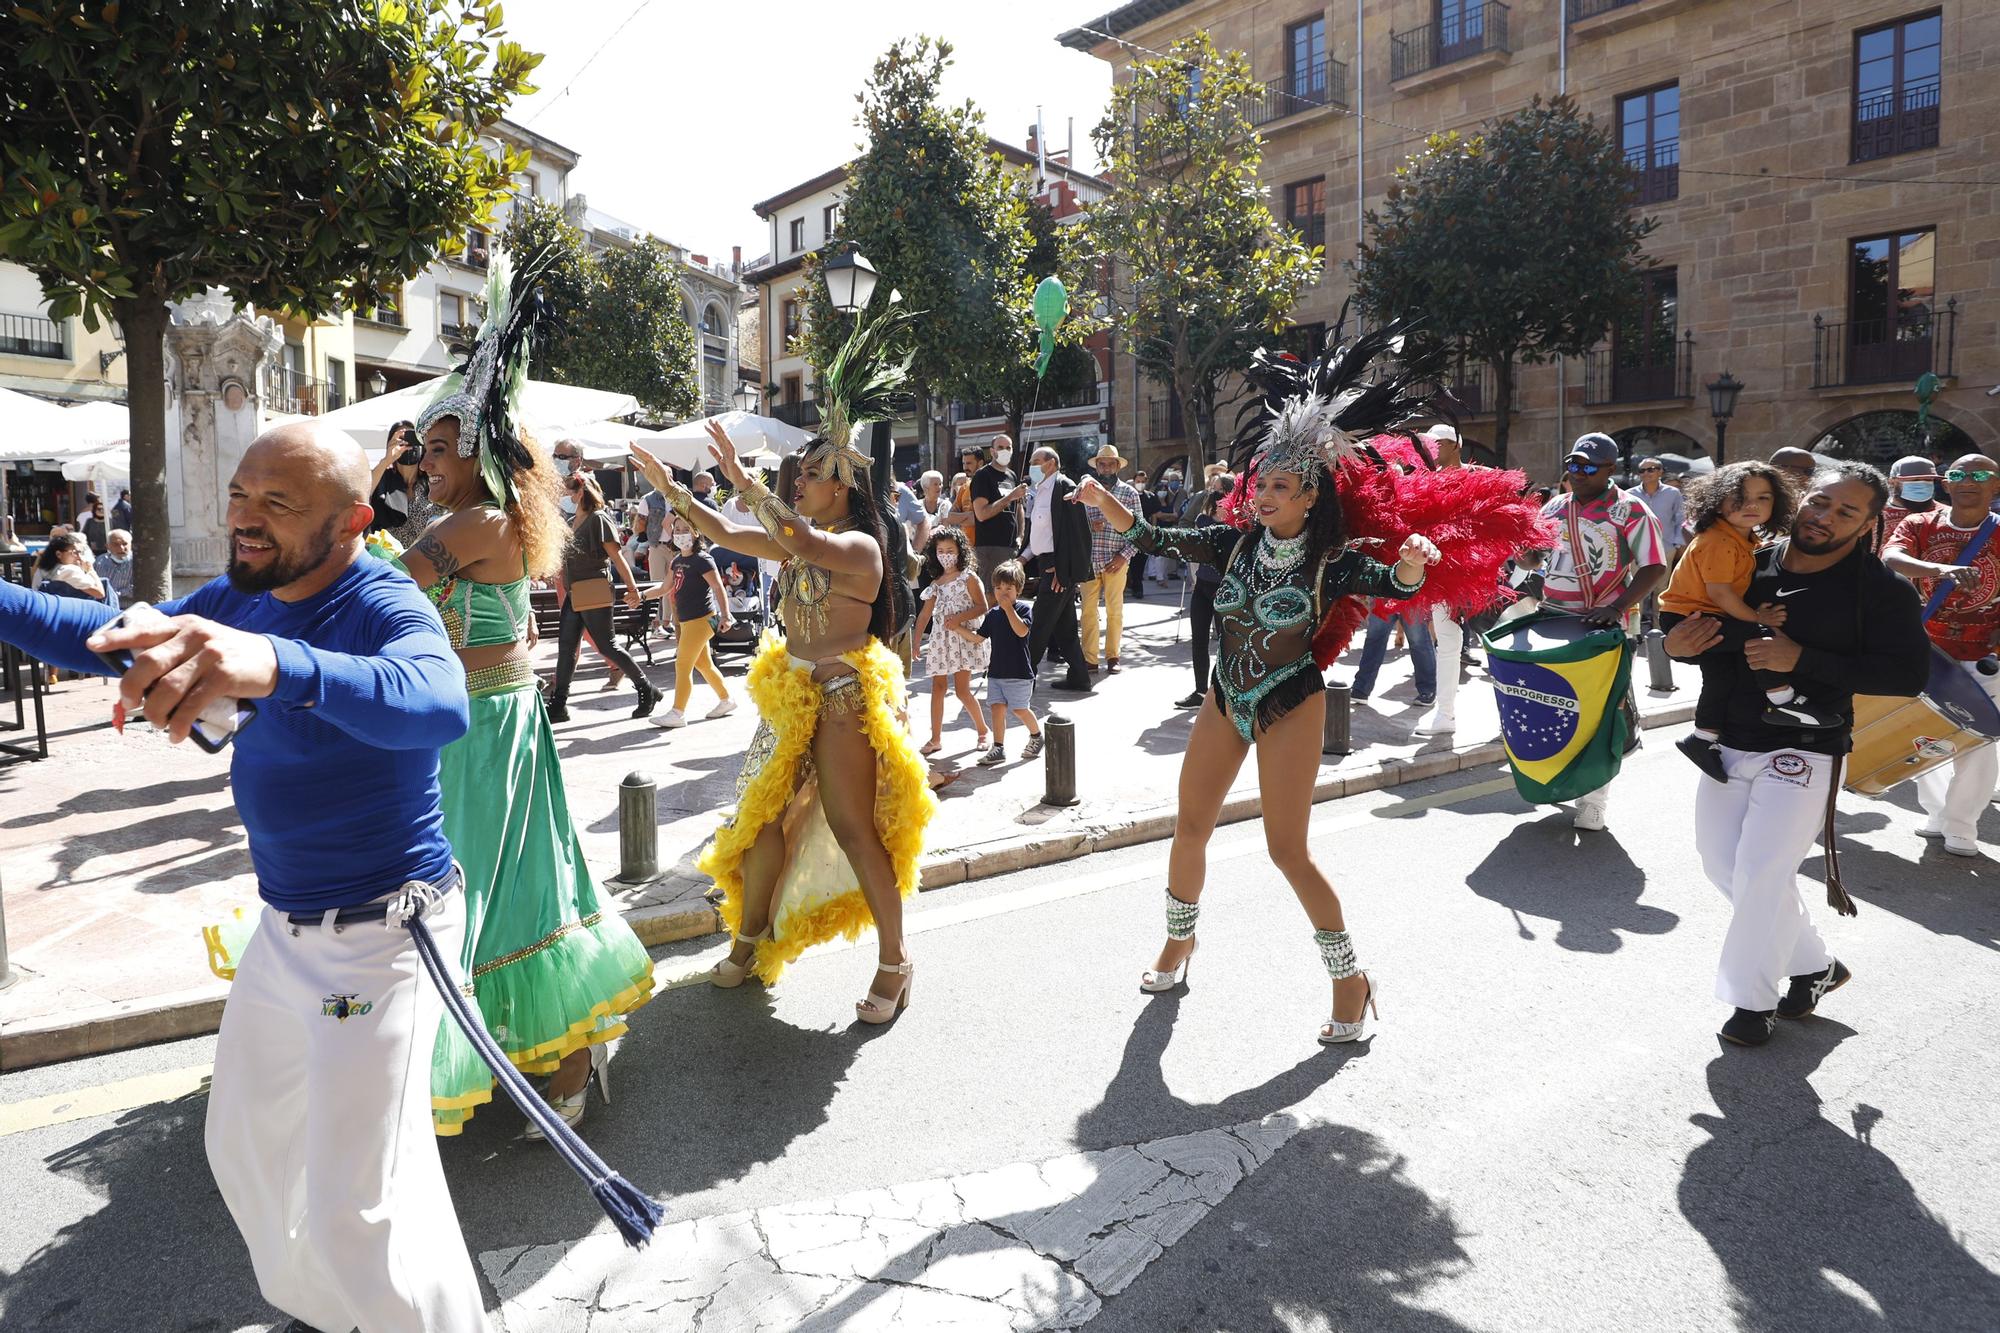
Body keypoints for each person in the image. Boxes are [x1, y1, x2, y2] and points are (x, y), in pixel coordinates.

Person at [0, 421, 488, 1330]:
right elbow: (107, 634)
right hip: (285, 933)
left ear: (349, 522)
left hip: (385, 942)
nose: (245, 518)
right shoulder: (241, 593)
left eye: (277, 502)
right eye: (238, 493)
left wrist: (273, 665)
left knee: (357, 1207)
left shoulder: (385, 600)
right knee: (245, 1152)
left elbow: (437, 702)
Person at [1070, 335, 1441, 1046]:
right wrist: (1100, 501)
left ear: (1310, 495)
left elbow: (1394, 583)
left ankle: (1350, 981)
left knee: (1287, 851)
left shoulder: (1333, 561)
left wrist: (1415, 565)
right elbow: (1152, 535)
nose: (1261, 494)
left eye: (1279, 487)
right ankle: (1179, 944)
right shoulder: (1232, 543)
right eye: (1259, 483)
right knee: (1190, 827)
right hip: (1225, 698)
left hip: (1290, 702)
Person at [394, 252, 657, 1136]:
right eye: (421, 450)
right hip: (484, 723)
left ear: (475, 450)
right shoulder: (487, 521)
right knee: (516, 889)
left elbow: (384, 591)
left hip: (480, 733)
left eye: (437, 449)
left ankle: (541, 1062)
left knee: (475, 892)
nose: (424, 464)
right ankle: (557, 1063)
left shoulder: (475, 523)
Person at [629, 305, 935, 1021]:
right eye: (796, 476)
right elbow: (730, 528)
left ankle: (895, 960)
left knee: (852, 826)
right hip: (789, 695)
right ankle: (749, 943)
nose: (799, 482)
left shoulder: (857, 546)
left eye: (810, 476)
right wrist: (670, 487)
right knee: (761, 823)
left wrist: (741, 473)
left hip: (841, 701)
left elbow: (790, 529)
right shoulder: (803, 537)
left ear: (842, 486)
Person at [1664, 461, 1928, 1046]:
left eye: (1846, 512)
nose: (1824, 517)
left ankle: (1750, 1004)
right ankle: (1814, 964)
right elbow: (1698, 627)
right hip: (1727, 743)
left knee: (1762, 872)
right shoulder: (1744, 557)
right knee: (1722, 867)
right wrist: (1675, 644)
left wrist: (1801, 659)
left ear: (1867, 524)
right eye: (1819, 502)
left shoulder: (1881, 590)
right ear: (1801, 498)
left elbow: (1908, 676)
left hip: (1807, 746)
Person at [1660, 461, 1836, 783]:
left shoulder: (1742, 539)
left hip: (1701, 614)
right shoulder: (1720, 541)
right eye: (1738, 497)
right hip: (1695, 615)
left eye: (1763, 498)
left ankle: (1702, 738)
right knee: (1762, 637)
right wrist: (1758, 617)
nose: (1751, 505)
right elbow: (1721, 594)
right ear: (1716, 501)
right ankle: (1782, 699)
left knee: (1720, 679)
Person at [1537, 432, 1669, 831]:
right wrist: (1519, 547)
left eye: (1588, 467)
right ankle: (1562, 778)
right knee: (1557, 706)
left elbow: (1653, 566)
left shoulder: (1630, 510)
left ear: (1611, 470)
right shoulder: (1555, 506)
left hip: (1602, 626)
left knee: (1600, 714)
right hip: (1551, 619)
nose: (1577, 473)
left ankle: (1594, 800)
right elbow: (1537, 558)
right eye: (1573, 464)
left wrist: (1615, 607)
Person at [1880, 452, 2000, 856]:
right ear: (1945, 484)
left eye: (1980, 474)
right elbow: (1891, 558)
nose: (1968, 480)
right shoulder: (1921, 524)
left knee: (1980, 743)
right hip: (1927, 649)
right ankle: (1935, 814)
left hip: (1988, 654)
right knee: (1922, 736)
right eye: (1957, 474)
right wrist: (1939, 572)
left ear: (1996, 486)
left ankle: (1962, 825)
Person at [546, 471, 660, 723]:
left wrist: (633, 590)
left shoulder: (598, 519)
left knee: (608, 645)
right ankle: (558, 704)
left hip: (593, 589)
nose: (568, 495)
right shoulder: (571, 521)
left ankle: (646, 689)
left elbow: (617, 557)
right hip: (575, 591)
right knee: (566, 648)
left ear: (582, 492)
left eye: (571, 490)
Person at [1019, 445, 1093, 691]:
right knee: (1065, 629)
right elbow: (1039, 534)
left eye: (1036, 461)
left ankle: (1023, 679)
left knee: (1039, 625)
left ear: (1050, 463)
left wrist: (1063, 571)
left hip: (1057, 569)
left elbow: (1077, 535)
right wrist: (1023, 558)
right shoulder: (1039, 490)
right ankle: (1080, 677)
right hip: (1045, 565)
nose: (1032, 466)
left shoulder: (1065, 488)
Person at [912, 526, 990, 755]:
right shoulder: (936, 583)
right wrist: (916, 640)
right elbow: (925, 614)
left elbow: (982, 606)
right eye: (940, 550)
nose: (945, 555)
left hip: (961, 640)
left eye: (950, 550)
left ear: (960, 551)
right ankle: (935, 738)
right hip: (940, 641)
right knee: (937, 687)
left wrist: (958, 619)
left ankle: (983, 730)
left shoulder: (969, 578)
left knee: (962, 691)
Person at [656, 514, 736, 729]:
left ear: (696, 533)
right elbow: (664, 588)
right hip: (687, 620)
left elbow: (718, 587)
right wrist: (640, 595)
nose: (680, 534)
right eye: (677, 530)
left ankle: (678, 712)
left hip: (701, 620)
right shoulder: (677, 561)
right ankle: (726, 700)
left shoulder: (703, 559)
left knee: (682, 664)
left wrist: (727, 616)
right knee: (703, 664)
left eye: (685, 530)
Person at [966, 559, 1043, 766]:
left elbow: (1021, 631)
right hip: (996, 673)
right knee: (997, 708)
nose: (1002, 593)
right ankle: (998, 747)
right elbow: (978, 638)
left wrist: (1009, 609)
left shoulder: (1025, 610)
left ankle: (1036, 735)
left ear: (1018, 590)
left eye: (1008, 588)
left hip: (1019, 673)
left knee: (1019, 709)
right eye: (998, 588)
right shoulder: (992, 615)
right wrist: (956, 628)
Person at [1079, 444, 1141, 673]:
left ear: (1117, 466)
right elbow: (1074, 526)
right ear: (1097, 466)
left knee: (1115, 610)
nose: (1105, 468)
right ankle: (1090, 659)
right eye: (1101, 464)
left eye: (1110, 464)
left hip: (1117, 560)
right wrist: (1088, 526)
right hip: (1089, 560)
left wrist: (1123, 557)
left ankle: (1113, 657)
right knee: (1087, 611)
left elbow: (1139, 531)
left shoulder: (1129, 493)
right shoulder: (1085, 491)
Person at [1177, 489, 1227, 708]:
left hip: (1224, 589)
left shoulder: (1240, 524)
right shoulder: (1203, 520)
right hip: (1203, 586)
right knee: (1199, 640)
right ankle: (1200, 690)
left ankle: (1222, 691)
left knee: (1226, 644)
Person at [1348, 596, 1436, 707]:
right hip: (1384, 592)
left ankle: (1428, 690)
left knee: (1418, 641)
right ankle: (1361, 688)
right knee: (1374, 637)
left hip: (1413, 591)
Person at [1632, 455, 1687, 628]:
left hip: (1664, 548)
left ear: (1660, 472)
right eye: (1642, 470)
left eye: (1651, 469)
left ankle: (1658, 631)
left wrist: (1677, 544)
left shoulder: (1673, 494)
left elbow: (1681, 519)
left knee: (1661, 592)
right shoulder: (1630, 495)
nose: (1646, 473)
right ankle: (1634, 631)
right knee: (1635, 592)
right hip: (1637, 550)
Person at [967, 437, 1027, 593]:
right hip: (989, 547)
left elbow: (1018, 508)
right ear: (992, 451)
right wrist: (1010, 497)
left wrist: (1020, 535)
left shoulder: (1012, 475)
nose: (1005, 451)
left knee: (1010, 594)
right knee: (992, 594)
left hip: (1010, 547)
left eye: (1009, 447)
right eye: (1000, 447)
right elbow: (981, 514)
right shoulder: (982, 476)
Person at [368, 420, 441, 546]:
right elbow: (362, 493)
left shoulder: (433, 480)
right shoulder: (382, 479)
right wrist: (386, 460)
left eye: (412, 438)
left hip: (430, 559)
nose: (407, 445)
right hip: (391, 561)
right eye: (400, 440)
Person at [33, 532, 113, 605]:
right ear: (58, 554)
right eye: (75, 553)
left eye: (80, 553)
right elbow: (100, 593)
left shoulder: (42, 569)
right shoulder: (69, 570)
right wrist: (90, 570)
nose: (79, 557)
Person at [1878, 454, 1939, 539]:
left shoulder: (1945, 514)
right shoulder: (1875, 514)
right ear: (1892, 482)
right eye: (1915, 480)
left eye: (1928, 479)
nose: (1922, 484)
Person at [94, 527, 135, 602]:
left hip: (127, 605)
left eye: (125, 544)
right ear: (108, 546)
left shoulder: (135, 562)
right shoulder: (100, 561)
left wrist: (113, 595)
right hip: (103, 604)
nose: (121, 548)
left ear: (131, 545)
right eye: (116, 544)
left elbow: (134, 588)